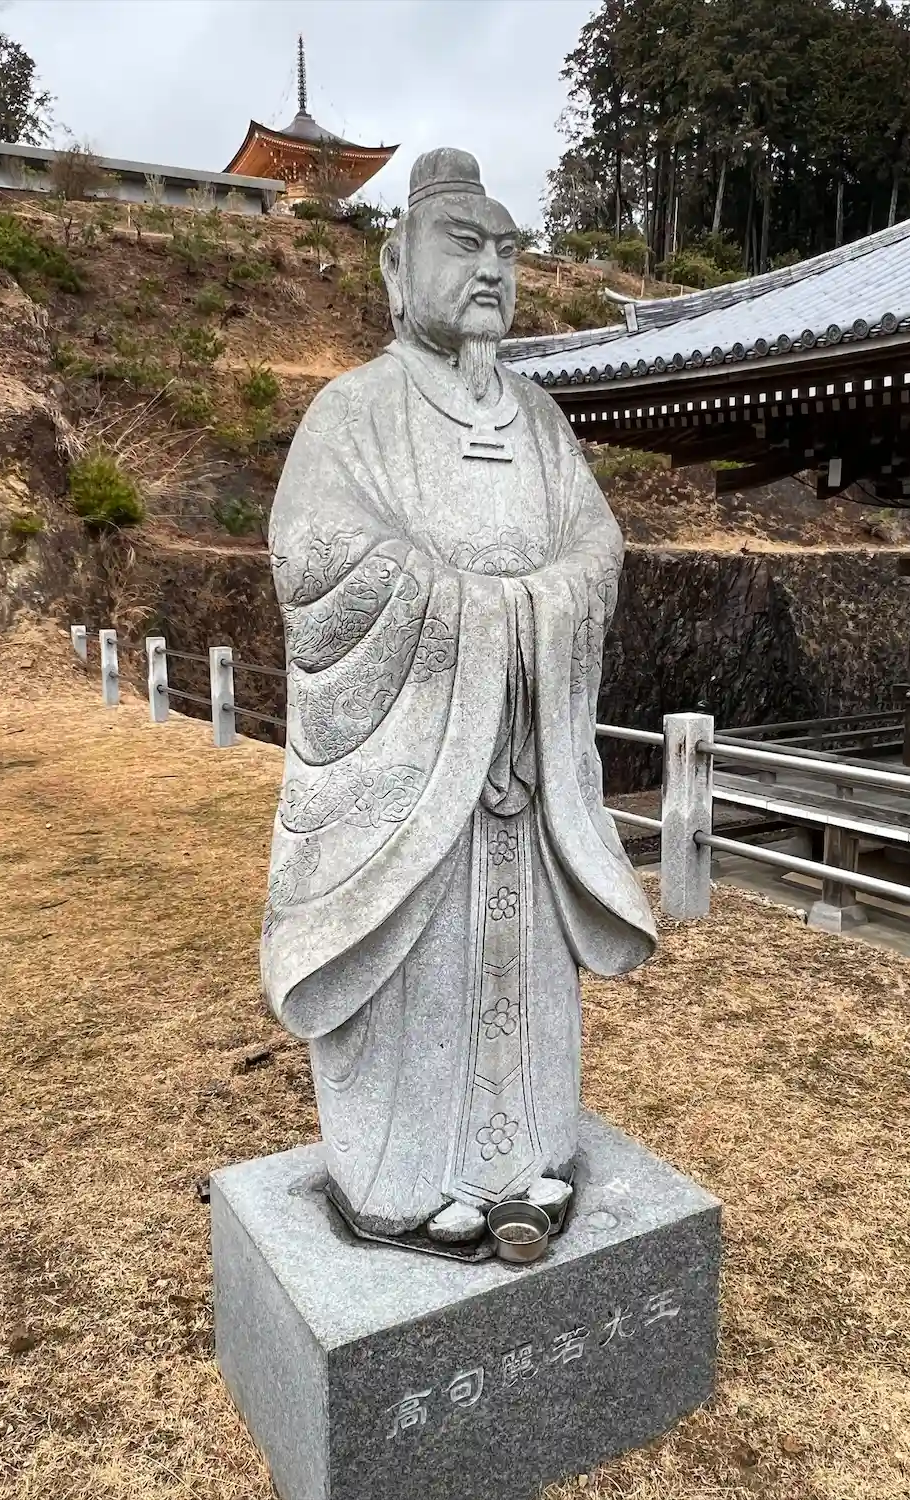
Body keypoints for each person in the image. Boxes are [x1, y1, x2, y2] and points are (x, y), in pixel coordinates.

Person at [261, 147, 656, 1245]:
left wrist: (537, 612)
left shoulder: (541, 418)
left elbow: (596, 548)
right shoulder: (353, 412)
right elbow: (318, 559)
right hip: (411, 781)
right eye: (463, 244)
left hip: (523, 776)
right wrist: (483, 615)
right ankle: (399, 1184)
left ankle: (527, 1162)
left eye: (506, 251)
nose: (491, 269)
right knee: (418, 973)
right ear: (396, 268)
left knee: (520, 970)